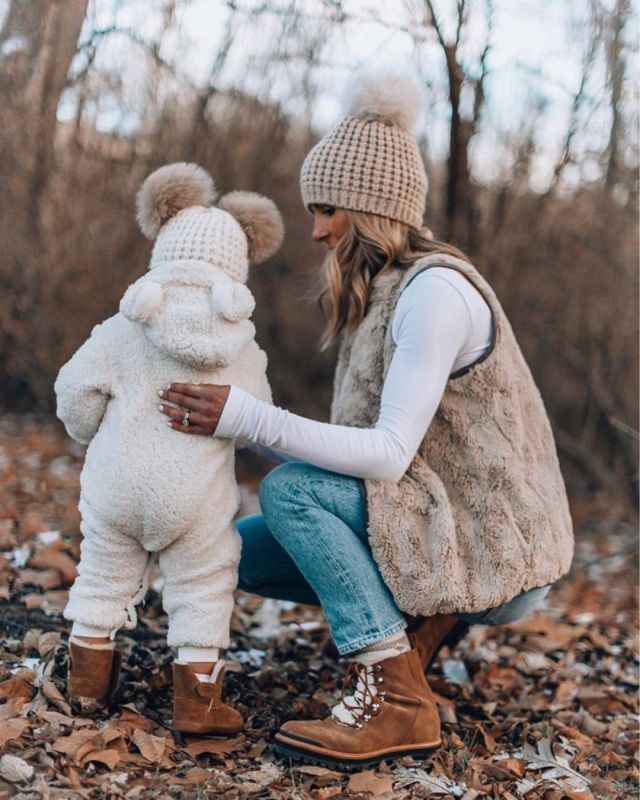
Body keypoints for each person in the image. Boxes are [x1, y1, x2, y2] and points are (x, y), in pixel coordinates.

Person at [158, 74, 574, 768]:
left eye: (326, 210)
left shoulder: (435, 293)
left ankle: (397, 695)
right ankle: (410, 630)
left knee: (292, 491)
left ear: (368, 206)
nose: (316, 229)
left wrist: (250, 419)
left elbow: (383, 456)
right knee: (231, 550)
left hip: (485, 542)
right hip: (427, 516)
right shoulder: (381, 294)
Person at [55, 162, 282, 734]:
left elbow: (74, 391)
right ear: (240, 258)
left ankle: (86, 690)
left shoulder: (121, 328)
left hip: (117, 485)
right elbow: (256, 419)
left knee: (103, 577)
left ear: (164, 241)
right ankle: (197, 705)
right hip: (196, 499)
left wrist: (90, 429)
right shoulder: (243, 345)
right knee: (204, 585)